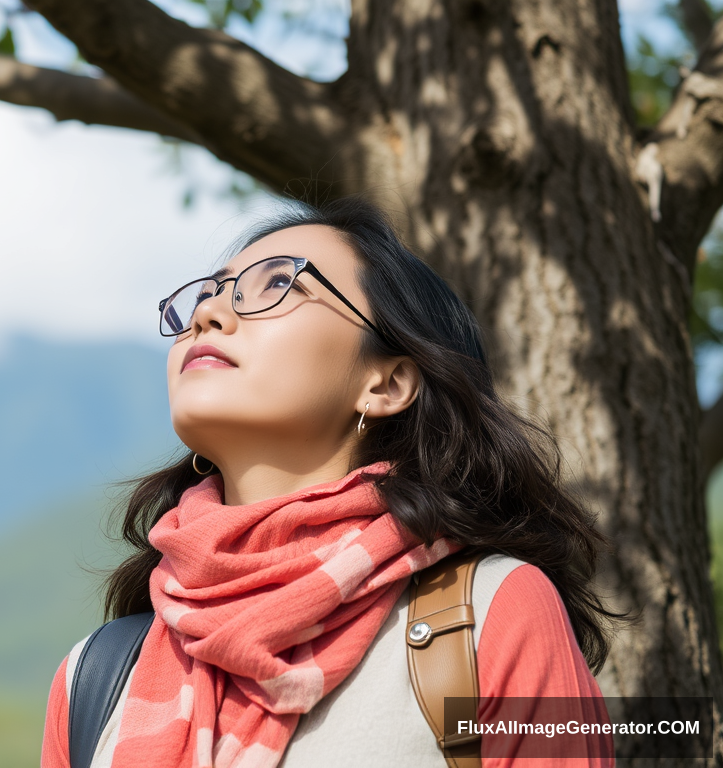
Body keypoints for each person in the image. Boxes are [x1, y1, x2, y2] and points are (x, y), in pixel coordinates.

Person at [39, 197, 624, 768]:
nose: (207, 314)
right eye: (209, 293)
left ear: (387, 383)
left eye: (275, 285)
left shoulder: (492, 611)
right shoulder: (95, 678)